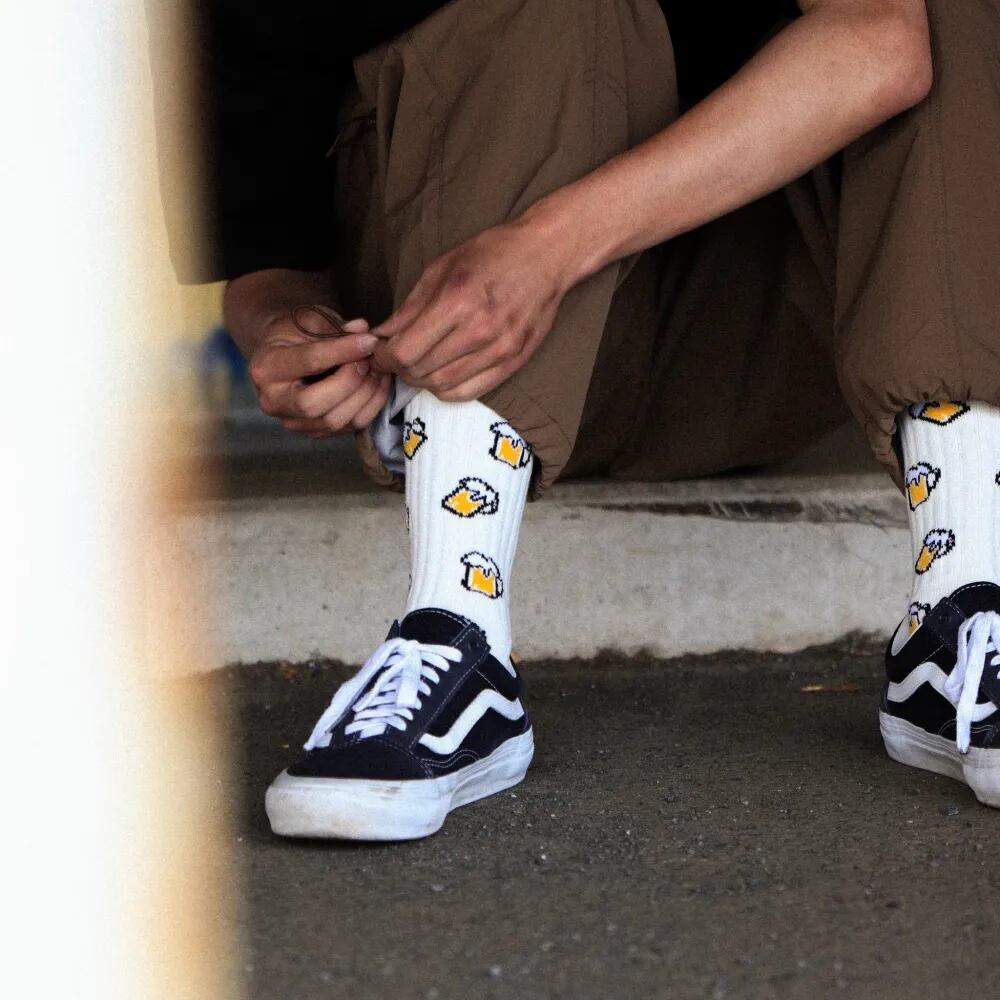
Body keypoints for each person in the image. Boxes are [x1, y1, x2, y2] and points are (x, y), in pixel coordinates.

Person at [153, 0, 1000, 840]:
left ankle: (960, 612)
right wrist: (287, 334)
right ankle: (454, 636)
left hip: (752, 347)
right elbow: (267, 262)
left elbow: (880, 41)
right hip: (481, 382)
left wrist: (546, 250)